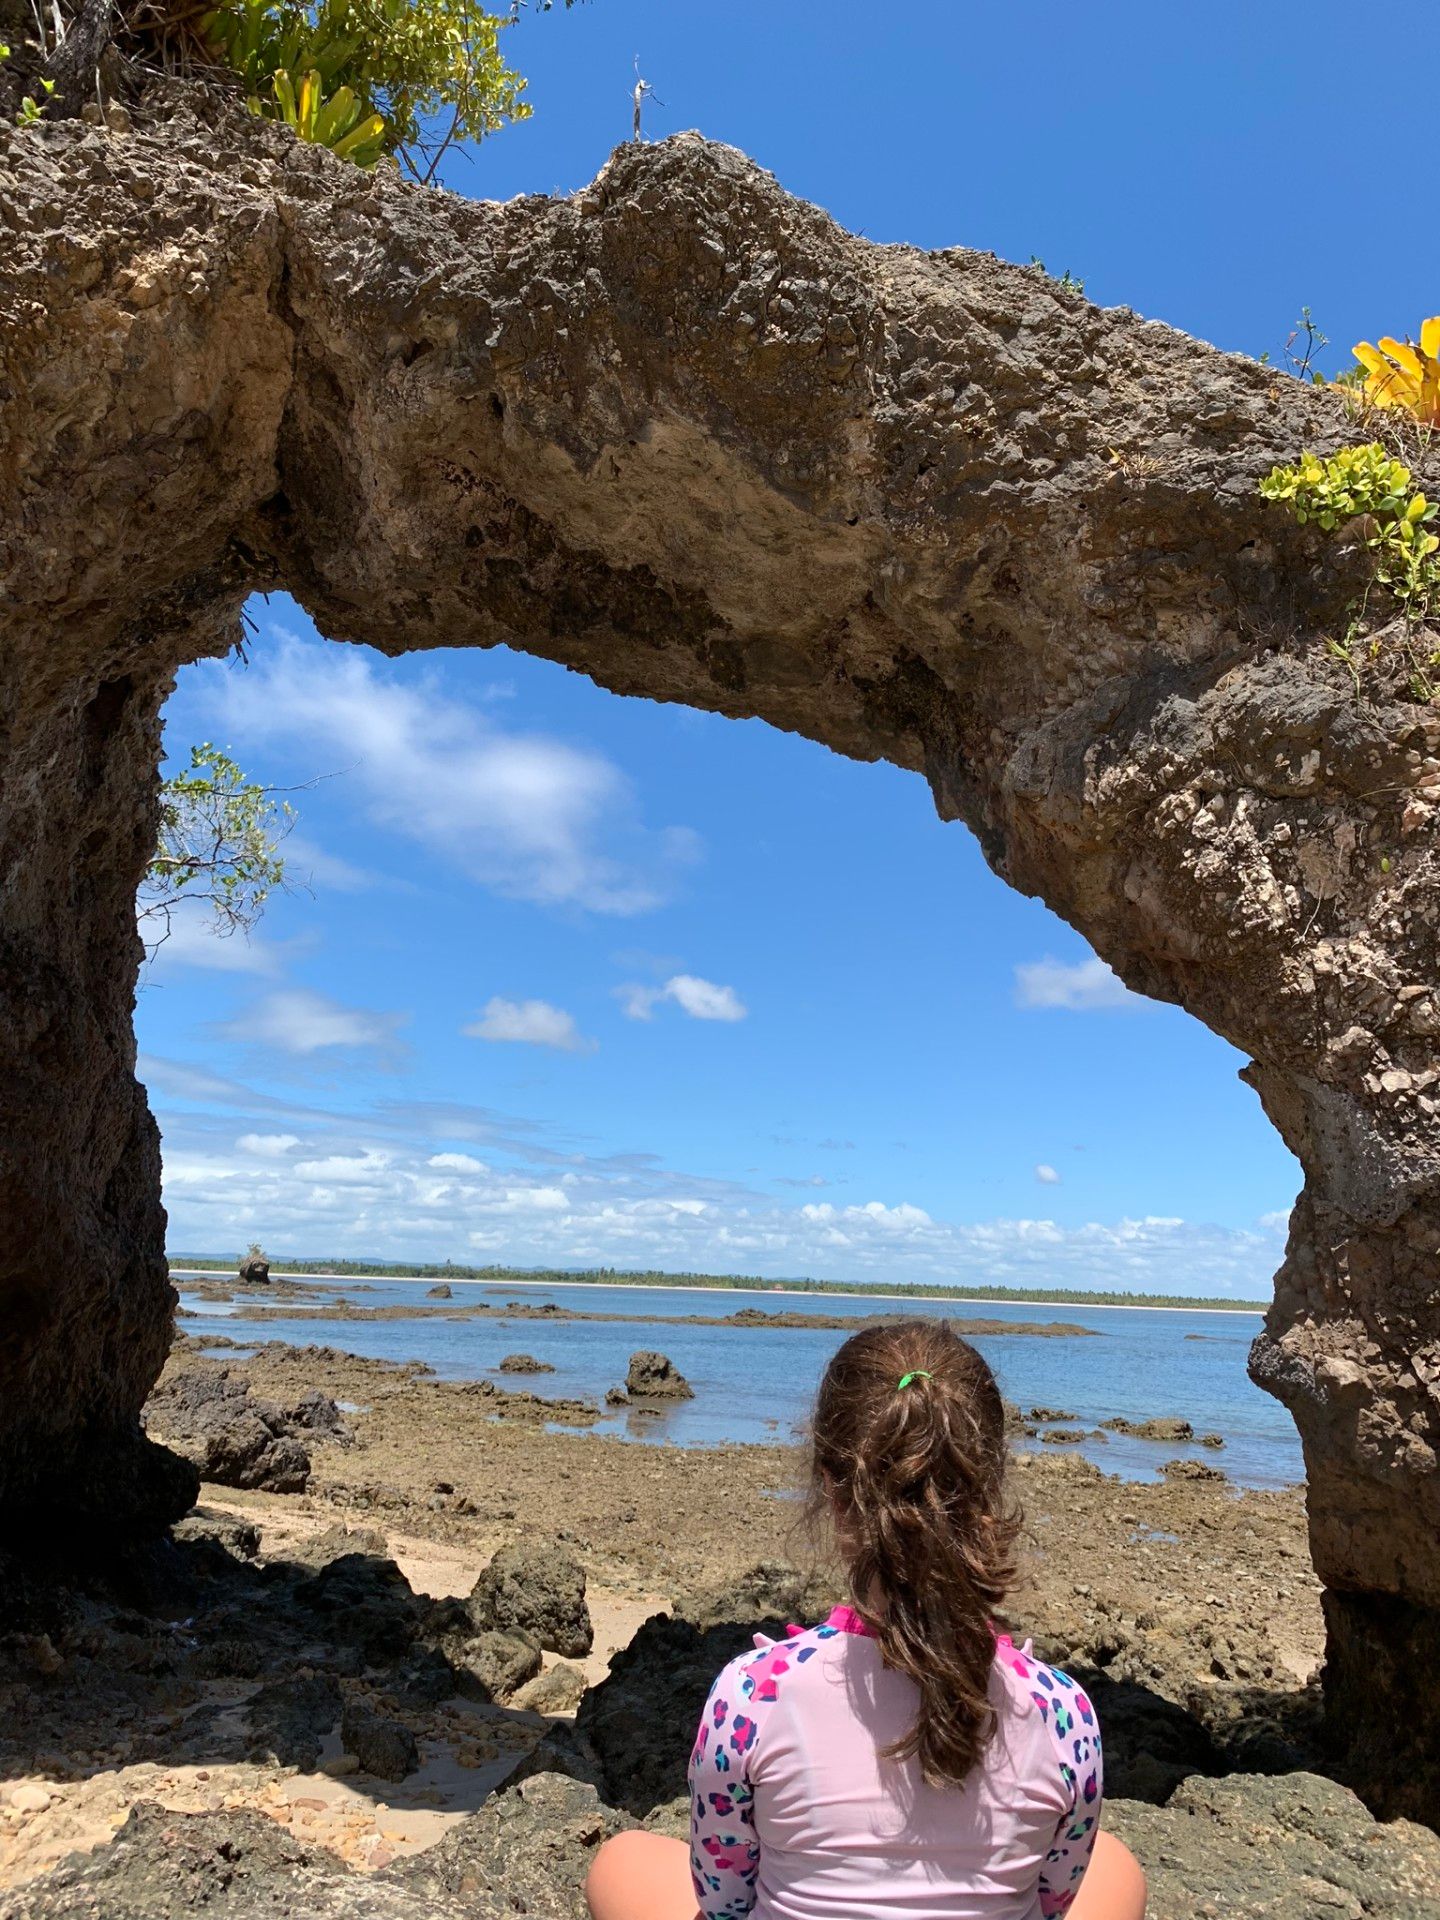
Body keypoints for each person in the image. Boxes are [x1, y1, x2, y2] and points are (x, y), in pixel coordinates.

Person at [585, 1318, 1146, 1920]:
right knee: (1115, 1865)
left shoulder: (751, 1697)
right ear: (988, 1484)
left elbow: (724, 1901)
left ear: (831, 1488)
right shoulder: (1062, 1712)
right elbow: (1055, 1899)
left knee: (620, 1859)